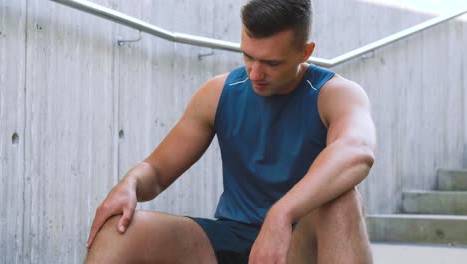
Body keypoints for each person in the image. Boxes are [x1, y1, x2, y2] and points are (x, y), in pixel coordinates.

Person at [84, 0, 376, 263]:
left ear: (305, 51)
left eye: (271, 63)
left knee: (343, 203)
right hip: (230, 238)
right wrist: (130, 183)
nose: (255, 73)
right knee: (118, 230)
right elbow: (156, 172)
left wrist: (281, 214)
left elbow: (358, 151)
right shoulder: (218, 92)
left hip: (297, 243)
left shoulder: (335, 94)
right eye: (248, 56)